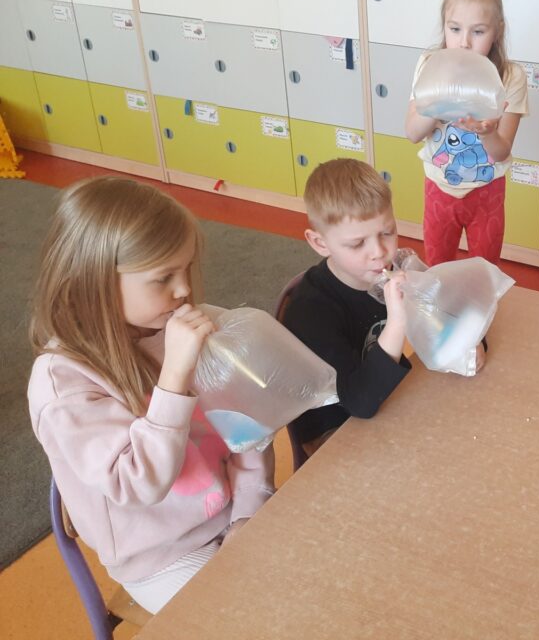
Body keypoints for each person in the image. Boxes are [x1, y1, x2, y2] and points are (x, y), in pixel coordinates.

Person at [27, 177, 275, 614]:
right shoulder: (63, 385)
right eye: (163, 277)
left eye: (186, 268)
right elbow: (140, 484)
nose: (183, 290)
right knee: (249, 618)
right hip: (163, 558)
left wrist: (249, 510)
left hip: (237, 511)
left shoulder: (180, 328)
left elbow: (248, 431)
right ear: (93, 282)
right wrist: (174, 377)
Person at [283, 159, 485, 457]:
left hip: (384, 401)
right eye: (357, 244)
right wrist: (397, 323)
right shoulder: (311, 310)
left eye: (387, 232)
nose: (379, 252)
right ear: (320, 243)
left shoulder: (394, 270)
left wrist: (470, 342)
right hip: (334, 433)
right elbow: (360, 402)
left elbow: (454, 313)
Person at [404, 0, 528, 266]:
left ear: (497, 31)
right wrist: (439, 98)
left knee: (484, 271)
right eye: (455, 29)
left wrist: (488, 133)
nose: (464, 42)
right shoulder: (429, 64)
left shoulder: (510, 76)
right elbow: (412, 133)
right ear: (444, 25)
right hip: (439, 186)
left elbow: (501, 152)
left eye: (478, 31)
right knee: (437, 268)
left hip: (487, 190)